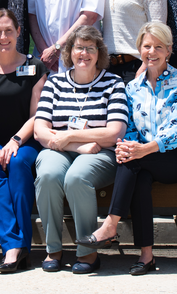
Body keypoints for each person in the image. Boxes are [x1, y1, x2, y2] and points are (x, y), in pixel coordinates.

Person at [79, 22, 177, 275]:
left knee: (134, 161)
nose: (151, 51)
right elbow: (129, 127)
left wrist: (144, 149)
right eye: (146, 46)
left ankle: (111, 224)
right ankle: (146, 256)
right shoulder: (132, 87)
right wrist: (127, 146)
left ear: (169, 50)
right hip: (143, 158)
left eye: (158, 47)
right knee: (138, 173)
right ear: (139, 50)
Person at [33, 26, 128, 274]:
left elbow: (115, 132)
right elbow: (40, 131)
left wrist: (71, 135)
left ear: (99, 53)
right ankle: (53, 249)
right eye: (78, 47)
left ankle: (88, 252)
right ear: (69, 52)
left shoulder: (113, 83)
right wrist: (78, 145)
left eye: (90, 48)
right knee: (48, 175)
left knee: (77, 178)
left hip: (101, 154)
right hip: (62, 150)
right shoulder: (54, 83)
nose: (83, 53)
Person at [0, 9, 48, 273]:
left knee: (17, 163)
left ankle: (21, 244)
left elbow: (36, 115)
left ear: (18, 33)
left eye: (9, 31)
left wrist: (15, 141)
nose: (4, 37)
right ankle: (13, 247)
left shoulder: (35, 67)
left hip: (25, 142)